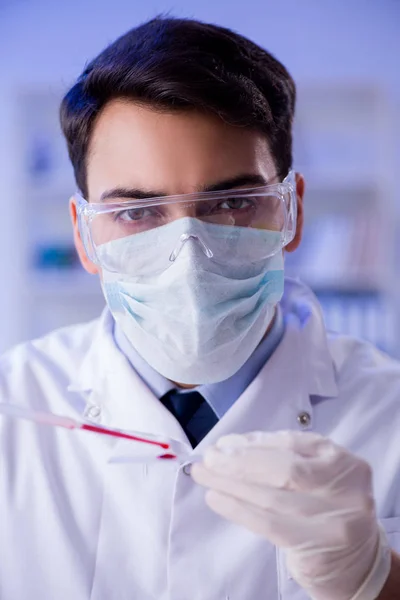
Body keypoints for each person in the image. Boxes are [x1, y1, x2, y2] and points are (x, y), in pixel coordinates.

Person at [0, 15, 399, 600]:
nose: (189, 256)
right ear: (84, 237)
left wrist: (376, 579)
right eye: (137, 213)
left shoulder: (389, 412)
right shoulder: (14, 409)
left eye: (233, 202)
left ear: (292, 212)